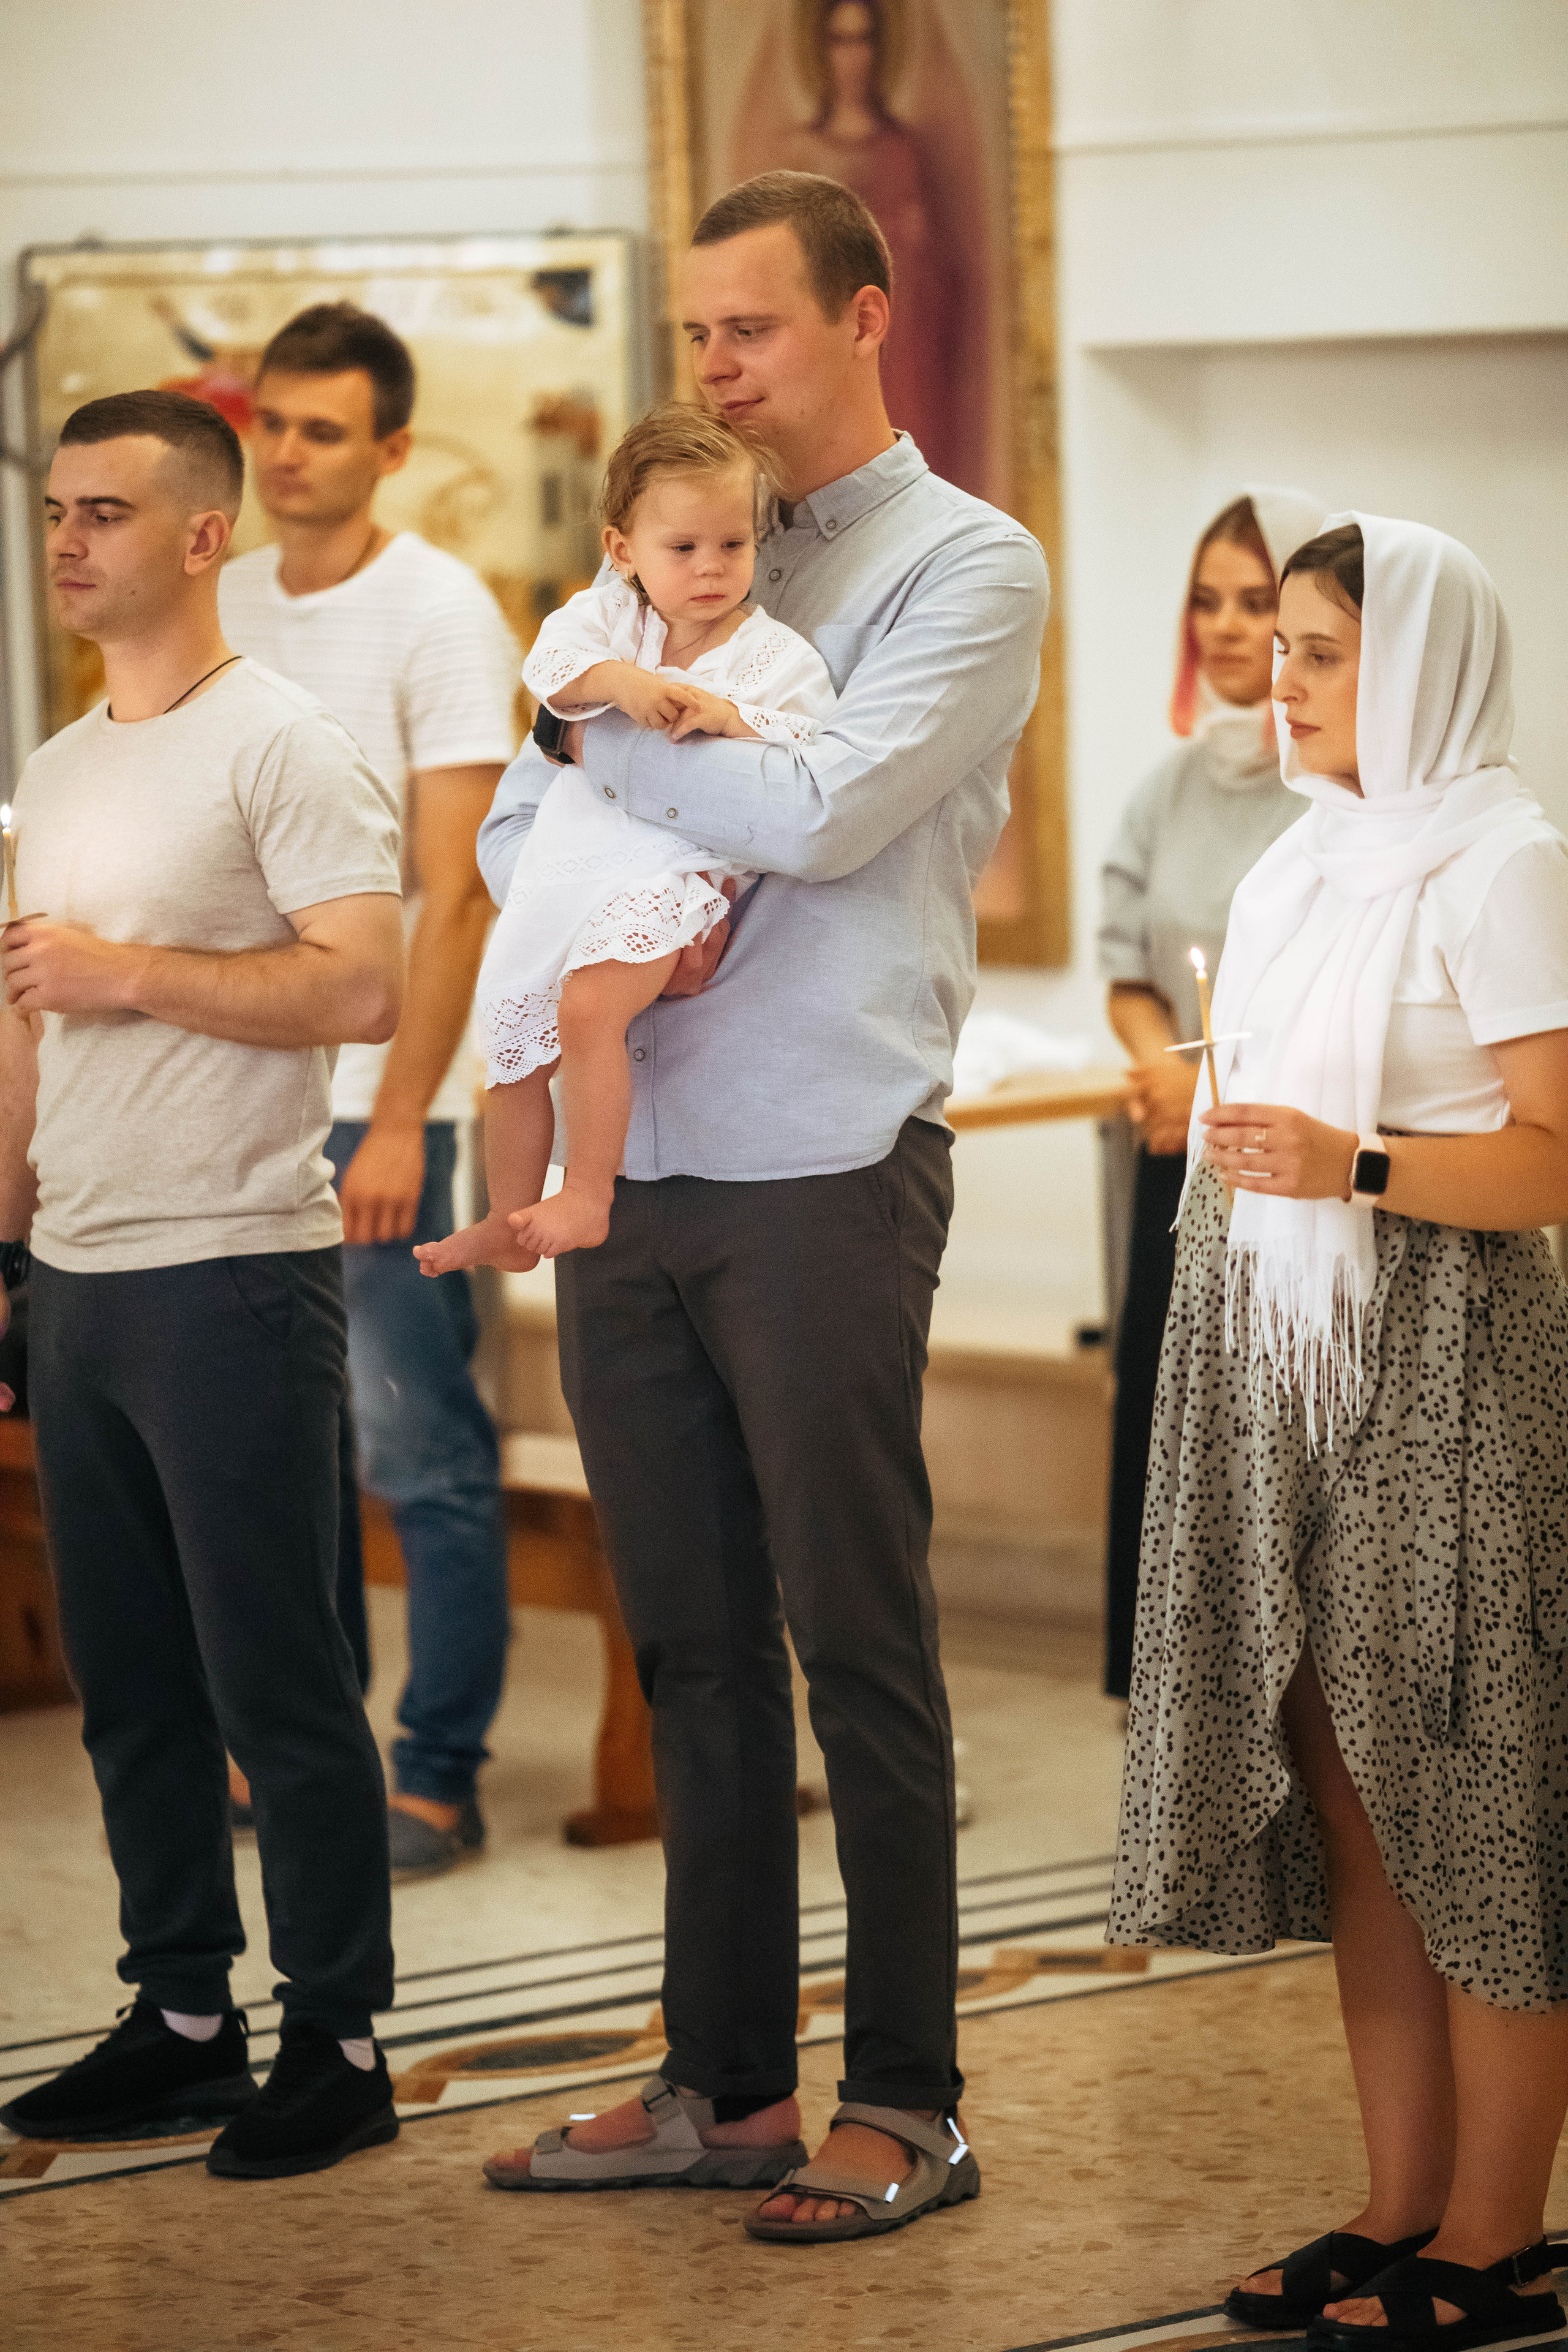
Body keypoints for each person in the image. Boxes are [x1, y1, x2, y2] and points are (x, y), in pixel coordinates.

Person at [476, 169, 1048, 2242]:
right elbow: (501, 833)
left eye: (754, 330)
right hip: (637, 1179)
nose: (716, 365)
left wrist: (601, 745)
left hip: (820, 1169)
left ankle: (909, 2092)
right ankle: (718, 2082)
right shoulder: (660, 561)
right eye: (697, 338)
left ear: (870, 316)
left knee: (858, 1647)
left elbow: (813, 816)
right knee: (692, 1654)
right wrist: (602, 731)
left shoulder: (964, 569)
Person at [1109, 517, 1568, 2347]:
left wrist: (1356, 1163)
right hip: (1275, 1352)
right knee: (1356, 1788)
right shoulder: (1312, 858)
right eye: (1278, 647)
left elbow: (1552, 1154)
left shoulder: (1503, 856)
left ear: (1425, 662)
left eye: (1320, 651)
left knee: (1476, 1788)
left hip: (1444, 1347)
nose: (1279, 682)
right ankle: (1400, 2205)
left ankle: (1504, 2238)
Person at [0, 390, 406, 2178]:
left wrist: (128, 971)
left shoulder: (285, 746)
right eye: (55, 511)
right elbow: (30, 1017)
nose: (66, 541)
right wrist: (8, 1240)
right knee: (132, 1681)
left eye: (103, 512)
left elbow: (360, 989)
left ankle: (341, 2035)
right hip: (79, 1275)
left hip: (233, 1273)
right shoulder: (66, 758)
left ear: (198, 535)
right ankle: (180, 2012)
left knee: (278, 1677)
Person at [219, 303, 521, 1879]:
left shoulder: (442, 611)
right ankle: (309, 1752)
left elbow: (454, 892)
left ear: (390, 449)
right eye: (270, 423)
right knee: (281, 1449)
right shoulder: (225, 602)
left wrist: (401, 1113)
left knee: (417, 1448)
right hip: (232, 1099)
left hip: (386, 1098)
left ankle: (437, 1772)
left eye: (321, 429)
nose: (285, 453)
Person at [417, 402, 835, 1273]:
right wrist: (625, 687)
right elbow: (550, 670)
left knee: (586, 1010)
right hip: (574, 864)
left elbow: (813, 750)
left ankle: (589, 1195)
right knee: (509, 1033)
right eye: (683, 549)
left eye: (734, 544)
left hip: (675, 874)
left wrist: (732, 715)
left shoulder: (778, 656)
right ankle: (507, 1213)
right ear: (622, 551)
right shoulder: (608, 623)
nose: (713, 568)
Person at [1096, 486, 1325, 1701]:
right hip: (1176, 1147)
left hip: (1293, 1161)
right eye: (1206, 601)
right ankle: (1174, 1691)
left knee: (1281, 1441)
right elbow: (1128, 967)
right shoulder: (1166, 787)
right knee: (1169, 1416)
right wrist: (1155, 1062)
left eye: (1256, 602)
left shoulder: (1336, 791)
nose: (1227, 628)